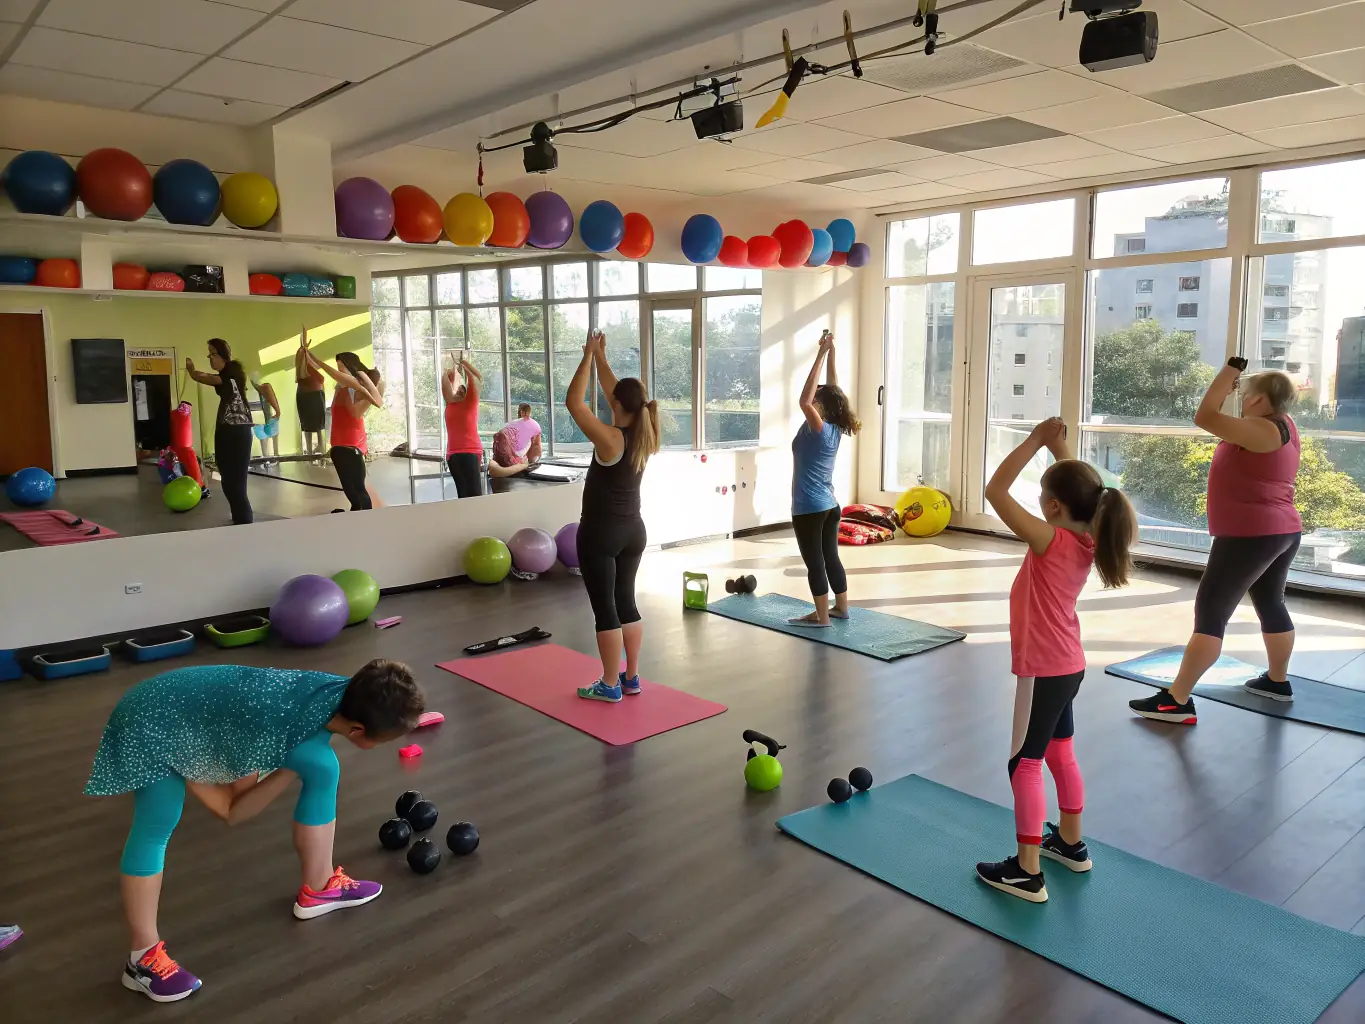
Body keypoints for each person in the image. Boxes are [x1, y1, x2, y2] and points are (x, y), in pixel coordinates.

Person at [85, 658, 425, 1002]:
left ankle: (320, 888)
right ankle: (141, 960)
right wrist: (282, 765)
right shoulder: (270, 728)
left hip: (184, 707)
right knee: (157, 823)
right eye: (385, 741)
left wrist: (291, 761)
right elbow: (230, 810)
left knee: (322, 767)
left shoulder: (343, 695)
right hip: (149, 720)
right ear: (357, 731)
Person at [975, 417, 1137, 903]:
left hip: (1043, 668)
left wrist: (1034, 440)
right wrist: (1055, 445)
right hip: (1069, 665)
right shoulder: (1089, 537)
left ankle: (1026, 870)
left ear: (1051, 506)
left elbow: (995, 490)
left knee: (1022, 764)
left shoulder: (1049, 540)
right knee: (1060, 751)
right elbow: (1080, 484)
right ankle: (1068, 841)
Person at [1130, 363, 1303, 723]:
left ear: (1256, 397)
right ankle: (1276, 681)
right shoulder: (1283, 425)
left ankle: (1176, 701)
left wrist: (1227, 374)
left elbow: (1204, 416)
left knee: (1211, 613)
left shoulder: (1262, 428)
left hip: (1251, 534)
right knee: (1271, 602)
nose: (1239, 399)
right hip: (1279, 530)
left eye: (1243, 393)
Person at [566, 328, 660, 702]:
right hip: (633, 531)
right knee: (626, 603)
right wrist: (602, 359)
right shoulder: (643, 431)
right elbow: (615, 392)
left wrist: (588, 357)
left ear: (617, 405)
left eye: (612, 400)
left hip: (600, 534)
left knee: (605, 609)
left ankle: (608, 684)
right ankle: (631, 677)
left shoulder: (611, 438)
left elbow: (574, 403)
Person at [789, 330, 860, 626]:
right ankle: (840, 608)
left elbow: (805, 401)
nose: (814, 397)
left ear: (820, 405)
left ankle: (821, 617)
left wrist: (819, 354)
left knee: (815, 563)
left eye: (817, 397)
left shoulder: (818, 426)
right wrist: (831, 350)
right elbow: (834, 389)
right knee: (831, 558)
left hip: (809, 507)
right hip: (830, 506)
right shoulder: (834, 426)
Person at [304, 333, 383, 512]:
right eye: (337, 368)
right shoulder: (342, 388)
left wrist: (313, 357)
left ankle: (367, 521)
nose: (338, 372)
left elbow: (360, 410)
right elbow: (320, 368)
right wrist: (306, 353)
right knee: (351, 492)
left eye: (342, 368)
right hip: (339, 445)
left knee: (358, 490)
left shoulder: (354, 386)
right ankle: (356, 519)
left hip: (352, 445)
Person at [185, 339, 253, 525]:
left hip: (236, 431)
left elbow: (206, 378)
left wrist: (192, 371)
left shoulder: (231, 373)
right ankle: (239, 518)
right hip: (228, 430)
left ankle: (244, 522)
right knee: (228, 480)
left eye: (213, 354)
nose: (210, 358)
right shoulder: (226, 375)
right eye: (209, 354)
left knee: (236, 483)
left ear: (223, 355)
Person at [443, 351, 484, 498]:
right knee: (468, 495)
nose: (459, 387)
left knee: (469, 494)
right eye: (458, 387)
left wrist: (463, 364)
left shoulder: (469, 403)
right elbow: (446, 381)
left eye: (463, 388)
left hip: (464, 453)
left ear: (466, 393)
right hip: (459, 454)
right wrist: (454, 367)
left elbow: (477, 379)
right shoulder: (450, 403)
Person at [295, 332, 328, 462]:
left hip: (317, 395)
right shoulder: (302, 366)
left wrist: (307, 350)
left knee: (319, 425)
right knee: (308, 426)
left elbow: (319, 364)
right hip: (307, 397)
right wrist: (303, 350)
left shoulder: (310, 363)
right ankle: (309, 453)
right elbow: (302, 369)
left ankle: (320, 450)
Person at [488, 404, 544, 479]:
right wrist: (528, 464)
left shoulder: (509, 427)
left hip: (502, 471)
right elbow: (536, 448)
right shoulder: (532, 426)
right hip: (513, 470)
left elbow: (494, 468)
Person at [249, 371, 281, 463]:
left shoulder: (258, 387)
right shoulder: (263, 387)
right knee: (269, 436)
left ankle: (268, 458)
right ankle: (272, 457)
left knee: (264, 438)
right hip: (265, 417)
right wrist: (277, 410)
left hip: (260, 418)